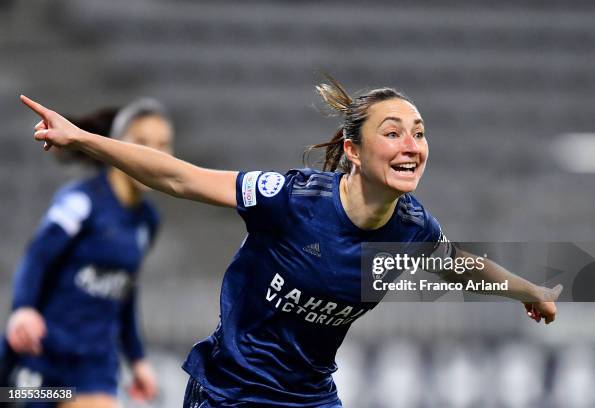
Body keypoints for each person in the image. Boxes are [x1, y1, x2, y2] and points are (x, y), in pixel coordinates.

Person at [18, 76, 561, 408]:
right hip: (231, 392)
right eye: (392, 131)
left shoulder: (412, 229)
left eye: (419, 132)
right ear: (353, 150)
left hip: (310, 398)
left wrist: (529, 292)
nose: (411, 144)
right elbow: (181, 177)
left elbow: (462, 267)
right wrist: (86, 139)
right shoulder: (290, 199)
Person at [5, 98, 174, 408]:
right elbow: (38, 255)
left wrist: (136, 359)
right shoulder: (80, 202)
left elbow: (124, 290)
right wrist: (24, 308)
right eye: (142, 143)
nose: (154, 155)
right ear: (117, 147)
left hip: (94, 365)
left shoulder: (147, 220)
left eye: (163, 145)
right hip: (43, 353)